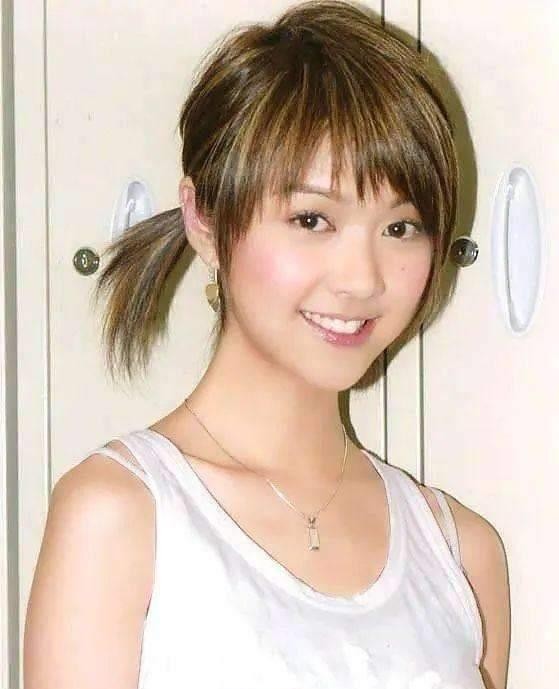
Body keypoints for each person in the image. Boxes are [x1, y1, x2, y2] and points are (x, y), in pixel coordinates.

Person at [23, 1, 511, 688]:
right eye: (312, 219)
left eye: (400, 228)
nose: (362, 279)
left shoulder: (461, 553)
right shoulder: (120, 515)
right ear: (204, 219)